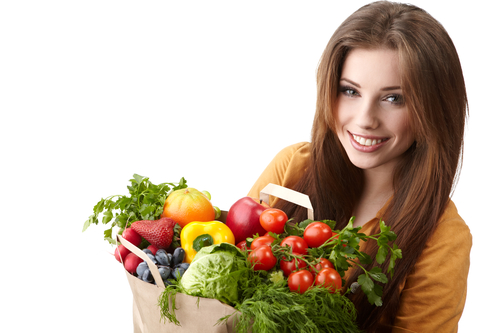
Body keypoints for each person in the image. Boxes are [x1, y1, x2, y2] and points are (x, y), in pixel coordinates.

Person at [247, 1, 472, 332]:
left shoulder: (442, 239)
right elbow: (231, 274)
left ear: (433, 109)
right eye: (350, 91)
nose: (365, 120)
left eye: (394, 98)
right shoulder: (292, 168)